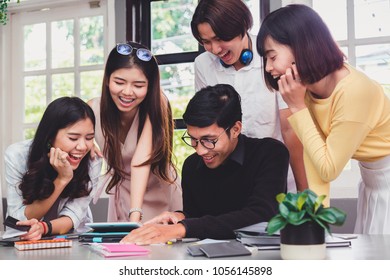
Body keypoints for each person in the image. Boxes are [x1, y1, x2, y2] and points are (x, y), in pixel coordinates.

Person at [257, 4, 390, 234]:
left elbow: (329, 168)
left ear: (300, 47)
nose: (268, 67)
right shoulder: (307, 90)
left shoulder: (354, 91)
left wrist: (297, 107)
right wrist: (315, 224)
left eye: (272, 56)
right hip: (371, 183)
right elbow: (314, 158)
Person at [120, 84, 289, 244]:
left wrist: (182, 228)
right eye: (193, 140)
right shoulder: (192, 166)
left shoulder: (270, 153)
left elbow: (261, 214)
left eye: (209, 140)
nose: (200, 151)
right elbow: (198, 217)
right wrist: (180, 217)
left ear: (236, 129)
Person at [190, 0, 307, 192]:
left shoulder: (272, 59)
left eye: (220, 38)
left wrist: (304, 193)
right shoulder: (203, 64)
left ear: (242, 25)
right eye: (206, 42)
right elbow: (206, 126)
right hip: (229, 179)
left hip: (275, 175)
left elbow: (290, 130)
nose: (215, 49)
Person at [88, 41, 182, 225]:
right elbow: (68, 132)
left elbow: (140, 162)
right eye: (119, 82)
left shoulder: (158, 104)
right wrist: (87, 142)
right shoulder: (93, 109)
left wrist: (134, 217)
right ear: (107, 79)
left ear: (150, 86)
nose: (127, 92)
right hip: (122, 193)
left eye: (138, 85)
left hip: (158, 191)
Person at [4, 97, 103, 240]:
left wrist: (43, 227)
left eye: (89, 138)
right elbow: (19, 220)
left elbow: (73, 215)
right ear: (50, 136)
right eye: (73, 138)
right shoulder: (17, 155)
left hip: (73, 239)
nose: (82, 147)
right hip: (24, 241)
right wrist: (61, 179)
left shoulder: (93, 161)